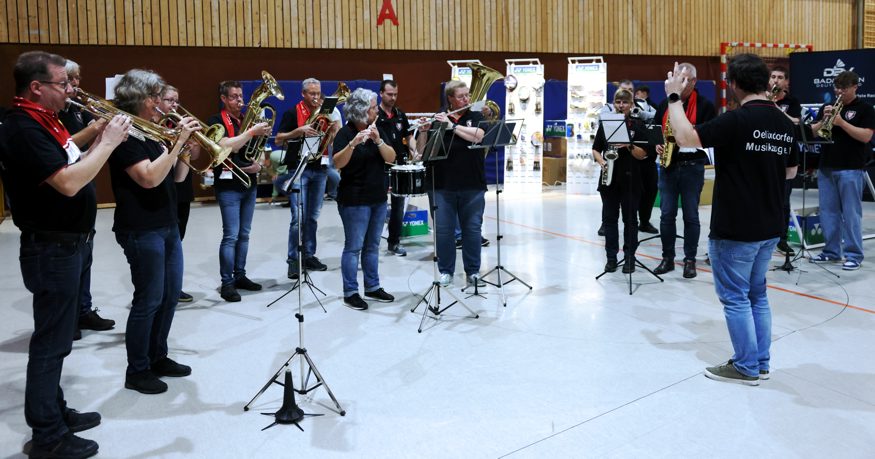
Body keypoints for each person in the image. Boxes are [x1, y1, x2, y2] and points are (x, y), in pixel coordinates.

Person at [0, 51, 129, 457]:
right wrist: (108, 142)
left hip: (65, 244)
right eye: (63, 84)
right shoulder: (22, 127)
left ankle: (53, 410)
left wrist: (93, 132)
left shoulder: (42, 121)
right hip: (51, 248)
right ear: (36, 87)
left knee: (55, 341)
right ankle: (48, 436)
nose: (71, 90)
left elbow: (67, 152)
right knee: (51, 344)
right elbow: (69, 182)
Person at [665, 54, 798, 386]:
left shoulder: (736, 120)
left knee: (736, 298)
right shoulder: (784, 121)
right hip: (769, 226)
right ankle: (760, 361)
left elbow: (684, 138)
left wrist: (672, 97)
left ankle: (746, 366)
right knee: (757, 295)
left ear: (734, 84)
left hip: (736, 227)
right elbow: (792, 171)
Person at [109, 69, 200, 394]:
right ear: (143, 99)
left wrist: (186, 149)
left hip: (167, 223)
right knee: (148, 300)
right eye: (157, 96)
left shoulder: (153, 132)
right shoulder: (125, 134)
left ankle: (157, 355)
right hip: (140, 227)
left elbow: (174, 179)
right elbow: (147, 177)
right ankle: (137, 370)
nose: (163, 102)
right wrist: (175, 145)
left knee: (169, 296)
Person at [58, 59, 117, 339]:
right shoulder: (55, 114)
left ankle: (83, 310)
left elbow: (83, 153)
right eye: (69, 80)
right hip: (65, 196)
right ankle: (68, 318)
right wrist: (96, 129)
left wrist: (103, 137)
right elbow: (64, 147)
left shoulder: (75, 109)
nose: (76, 85)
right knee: (70, 262)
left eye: (77, 79)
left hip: (85, 191)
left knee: (86, 256)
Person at [332, 88, 397, 310]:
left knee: (373, 246)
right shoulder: (346, 133)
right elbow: (338, 163)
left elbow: (391, 158)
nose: (376, 110)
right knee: (353, 247)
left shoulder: (378, 129)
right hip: (354, 199)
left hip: (378, 197)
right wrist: (353, 144)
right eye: (372, 107)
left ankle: (372, 286)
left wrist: (378, 141)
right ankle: (350, 291)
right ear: (361, 111)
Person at [206, 81, 271, 301]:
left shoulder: (246, 120)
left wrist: (259, 165)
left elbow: (260, 149)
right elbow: (226, 145)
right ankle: (227, 283)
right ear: (224, 99)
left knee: (244, 234)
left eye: (241, 96)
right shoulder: (215, 121)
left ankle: (240, 275)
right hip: (228, 186)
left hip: (249, 183)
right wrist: (251, 132)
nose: (240, 101)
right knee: (231, 235)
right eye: (234, 97)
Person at [652, 62, 717, 279]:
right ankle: (667, 258)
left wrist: (685, 137)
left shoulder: (706, 105)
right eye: (677, 79)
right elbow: (655, 129)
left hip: (693, 167)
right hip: (668, 166)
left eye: (685, 80)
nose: (680, 83)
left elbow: (709, 135)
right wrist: (657, 144)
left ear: (694, 82)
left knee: (691, 216)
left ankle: (690, 260)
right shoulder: (664, 104)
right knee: (666, 215)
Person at [809, 71, 875, 270]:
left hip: (851, 168)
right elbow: (814, 131)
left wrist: (841, 122)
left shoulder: (865, 109)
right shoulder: (827, 107)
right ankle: (831, 252)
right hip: (826, 166)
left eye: (843, 88)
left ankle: (854, 254)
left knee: (851, 213)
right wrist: (825, 119)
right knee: (828, 212)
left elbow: (865, 137)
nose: (839, 92)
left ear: (855, 87)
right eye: (836, 87)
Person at [275, 78, 337, 279]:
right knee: (297, 219)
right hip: (298, 169)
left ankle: (309, 255)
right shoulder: (292, 113)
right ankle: (293, 259)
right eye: (312, 93)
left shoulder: (325, 114)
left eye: (318, 93)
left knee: (312, 217)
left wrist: (334, 129)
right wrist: (298, 131)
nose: (316, 97)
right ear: (303, 94)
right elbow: (278, 138)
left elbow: (330, 139)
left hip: (319, 169)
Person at [430, 81, 486, 288]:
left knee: (472, 230)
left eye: (467, 95)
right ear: (450, 100)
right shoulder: (439, 117)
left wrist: (452, 126)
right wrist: (427, 130)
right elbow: (422, 151)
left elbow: (479, 137)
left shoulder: (476, 117)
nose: (466, 100)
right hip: (443, 184)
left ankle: (472, 271)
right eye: (461, 97)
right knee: (444, 231)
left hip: (473, 183)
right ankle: (446, 271)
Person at [592, 89, 653, 273]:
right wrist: (602, 161)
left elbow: (643, 155)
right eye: (618, 102)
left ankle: (629, 258)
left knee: (630, 221)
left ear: (631, 104)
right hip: (609, 178)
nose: (621, 105)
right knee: (609, 220)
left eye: (625, 102)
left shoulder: (638, 125)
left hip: (631, 179)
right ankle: (611, 258)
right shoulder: (606, 123)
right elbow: (596, 149)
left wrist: (628, 144)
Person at [157, 85, 198, 302]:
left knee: (177, 239)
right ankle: (162, 286)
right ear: (157, 101)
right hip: (163, 187)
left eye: (177, 100)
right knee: (164, 242)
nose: (175, 105)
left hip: (182, 189)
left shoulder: (178, 123)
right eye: (170, 100)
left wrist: (193, 141)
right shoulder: (158, 127)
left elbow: (198, 154)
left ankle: (172, 285)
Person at [376, 79, 416, 257]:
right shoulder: (374, 115)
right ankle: (372, 244)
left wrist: (414, 149)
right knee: (378, 205)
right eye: (389, 94)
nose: (393, 98)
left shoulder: (400, 114)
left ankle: (394, 242)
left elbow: (409, 136)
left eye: (395, 94)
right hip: (380, 166)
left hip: (400, 166)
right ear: (381, 93)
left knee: (399, 206)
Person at [768, 65, 803, 256]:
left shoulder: (792, 102)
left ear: (786, 82)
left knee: (783, 200)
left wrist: (776, 109)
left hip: (785, 155)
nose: (775, 80)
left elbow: (796, 123)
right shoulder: (763, 97)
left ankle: (782, 239)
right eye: (773, 76)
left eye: (780, 77)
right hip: (765, 154)